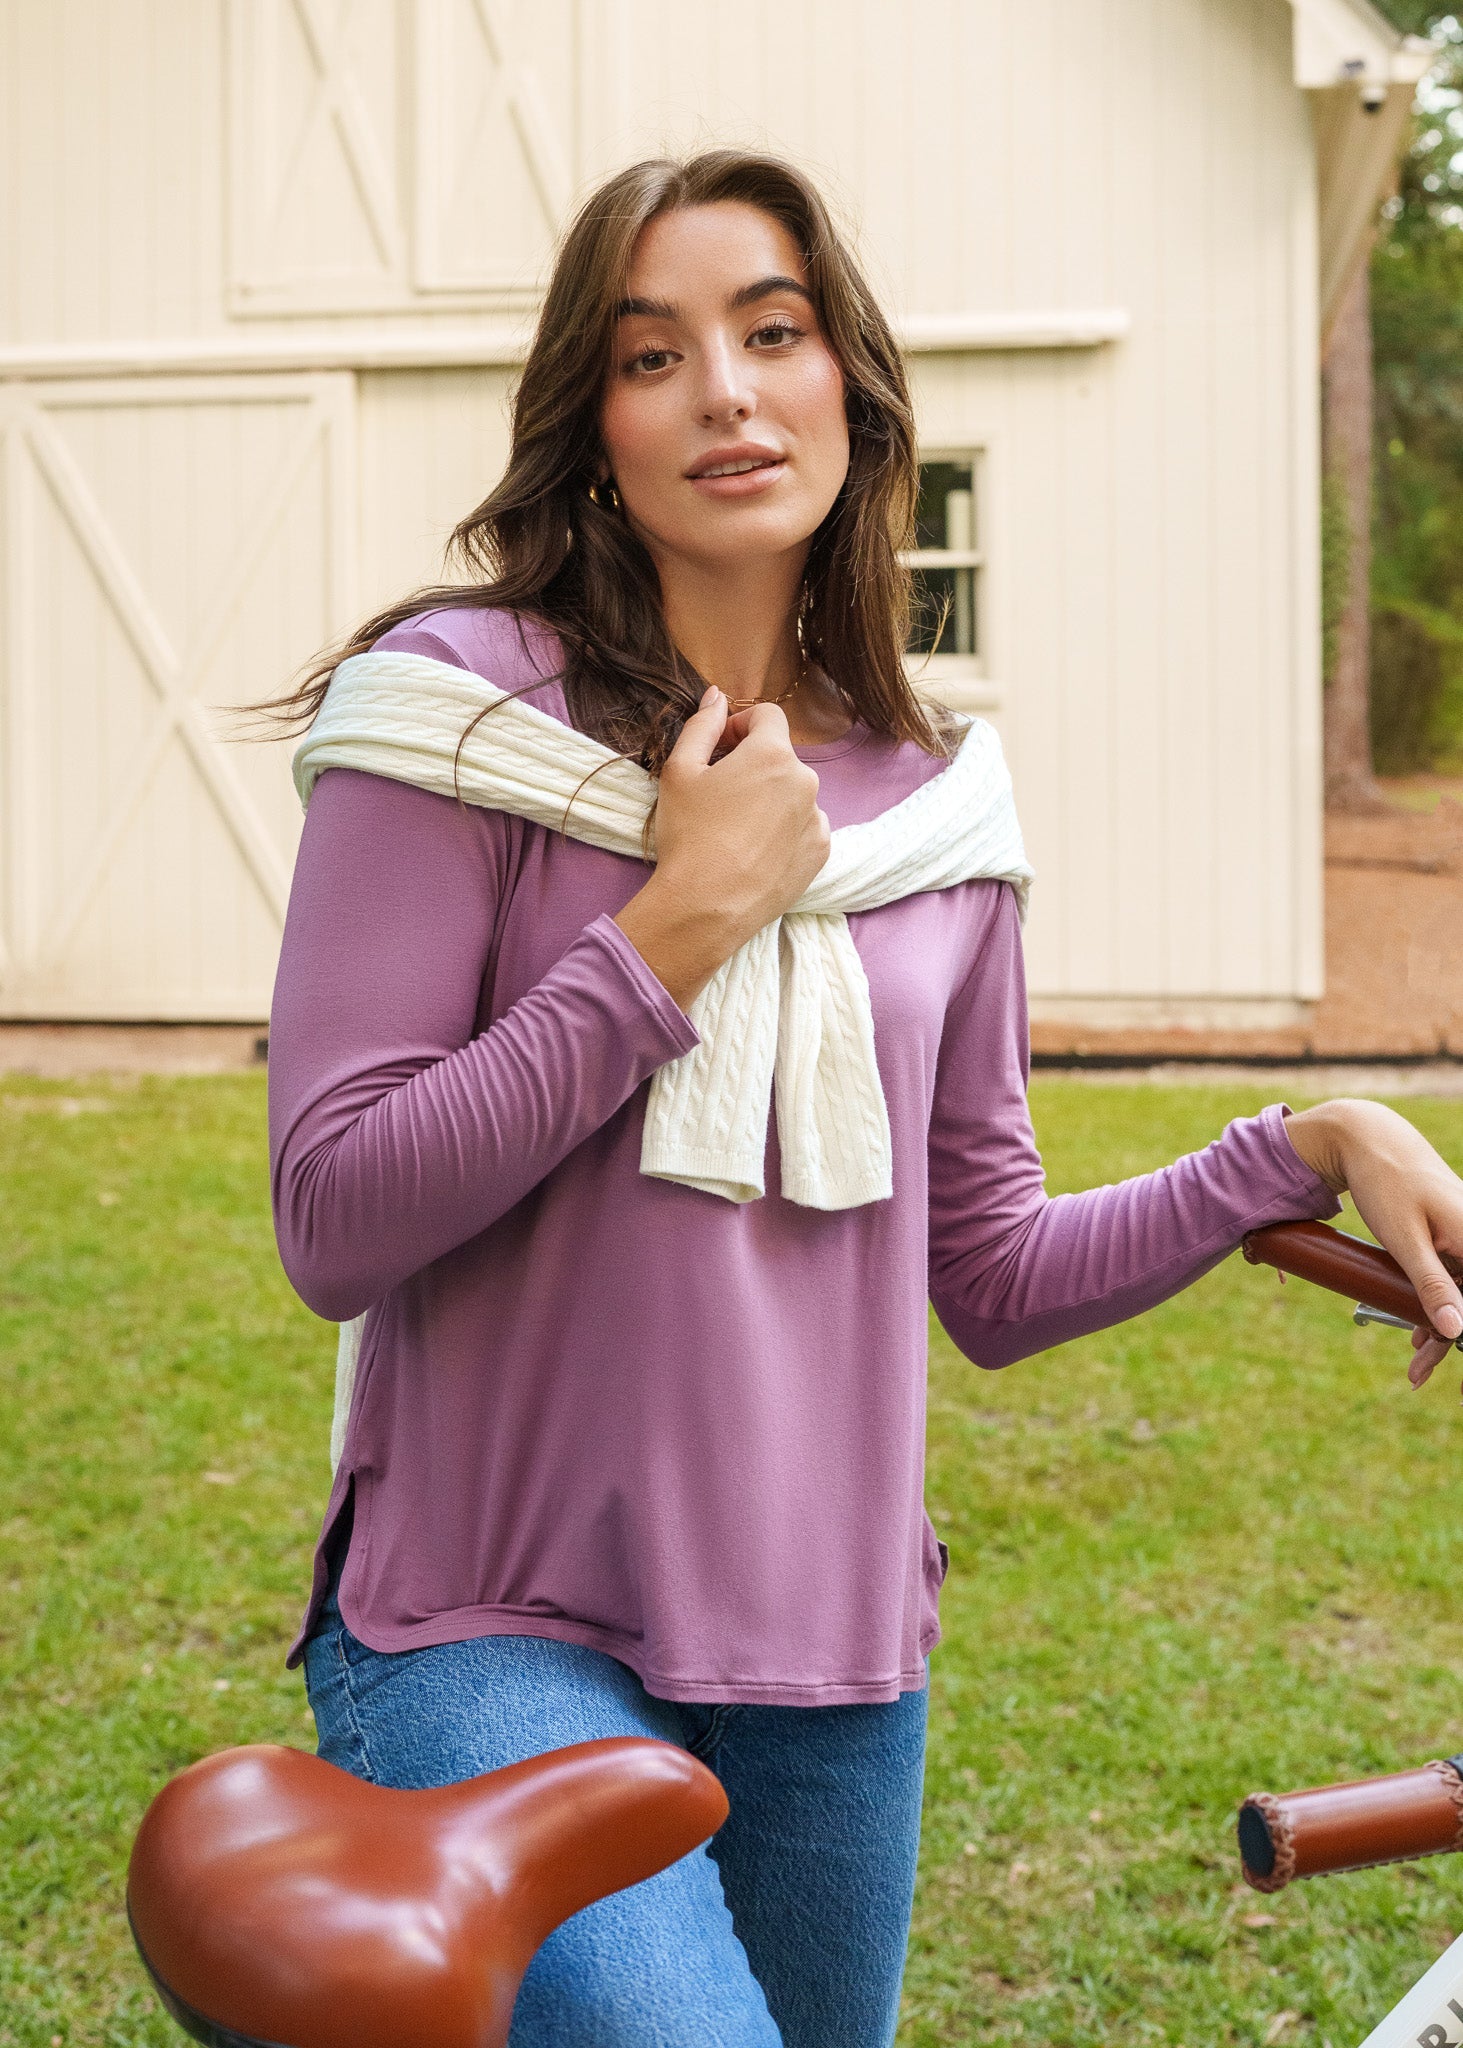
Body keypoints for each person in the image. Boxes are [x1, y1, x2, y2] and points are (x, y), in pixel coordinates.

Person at [262, 150, 1463, 2048]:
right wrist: (677, 928)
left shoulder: (940, 808)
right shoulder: (458, 713)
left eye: (774, 332)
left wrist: (1306, 1146)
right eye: (653, 356)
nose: (725, 392)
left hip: (833, 1668)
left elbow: (985, 1269)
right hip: (486, 1630)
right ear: (595, 431)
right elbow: (334, 1216)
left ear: (852, 390)